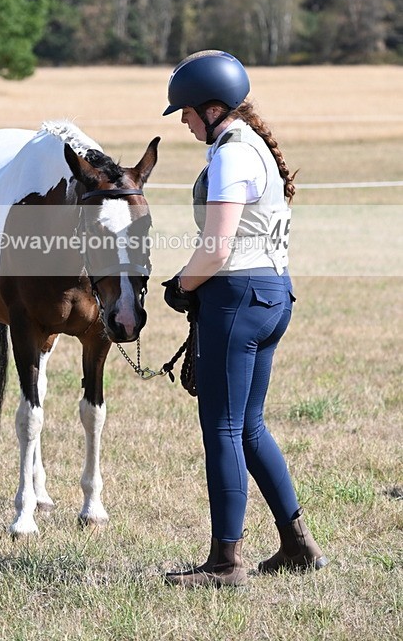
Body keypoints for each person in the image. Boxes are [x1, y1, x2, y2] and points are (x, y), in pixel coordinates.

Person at [161, 50, 328, 588]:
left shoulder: (231, 155)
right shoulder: (251, 146)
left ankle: (226, 563)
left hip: (236, 297)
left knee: (224, 427)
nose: (184, 122)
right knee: (249, 426)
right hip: (272, 294)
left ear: (211, 108)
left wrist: (183, 284)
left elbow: (215, 248)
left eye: (185, 112)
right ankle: (298, 544)